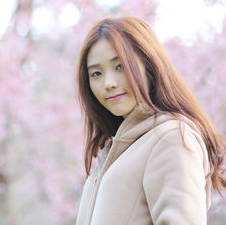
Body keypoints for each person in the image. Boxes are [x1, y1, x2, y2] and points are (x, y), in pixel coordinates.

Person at [75, 16, 226, 225]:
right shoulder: (112, 154)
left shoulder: (171, 138)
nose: (108, 83)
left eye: (120, 66)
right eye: (97, 73)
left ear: (149, 65)